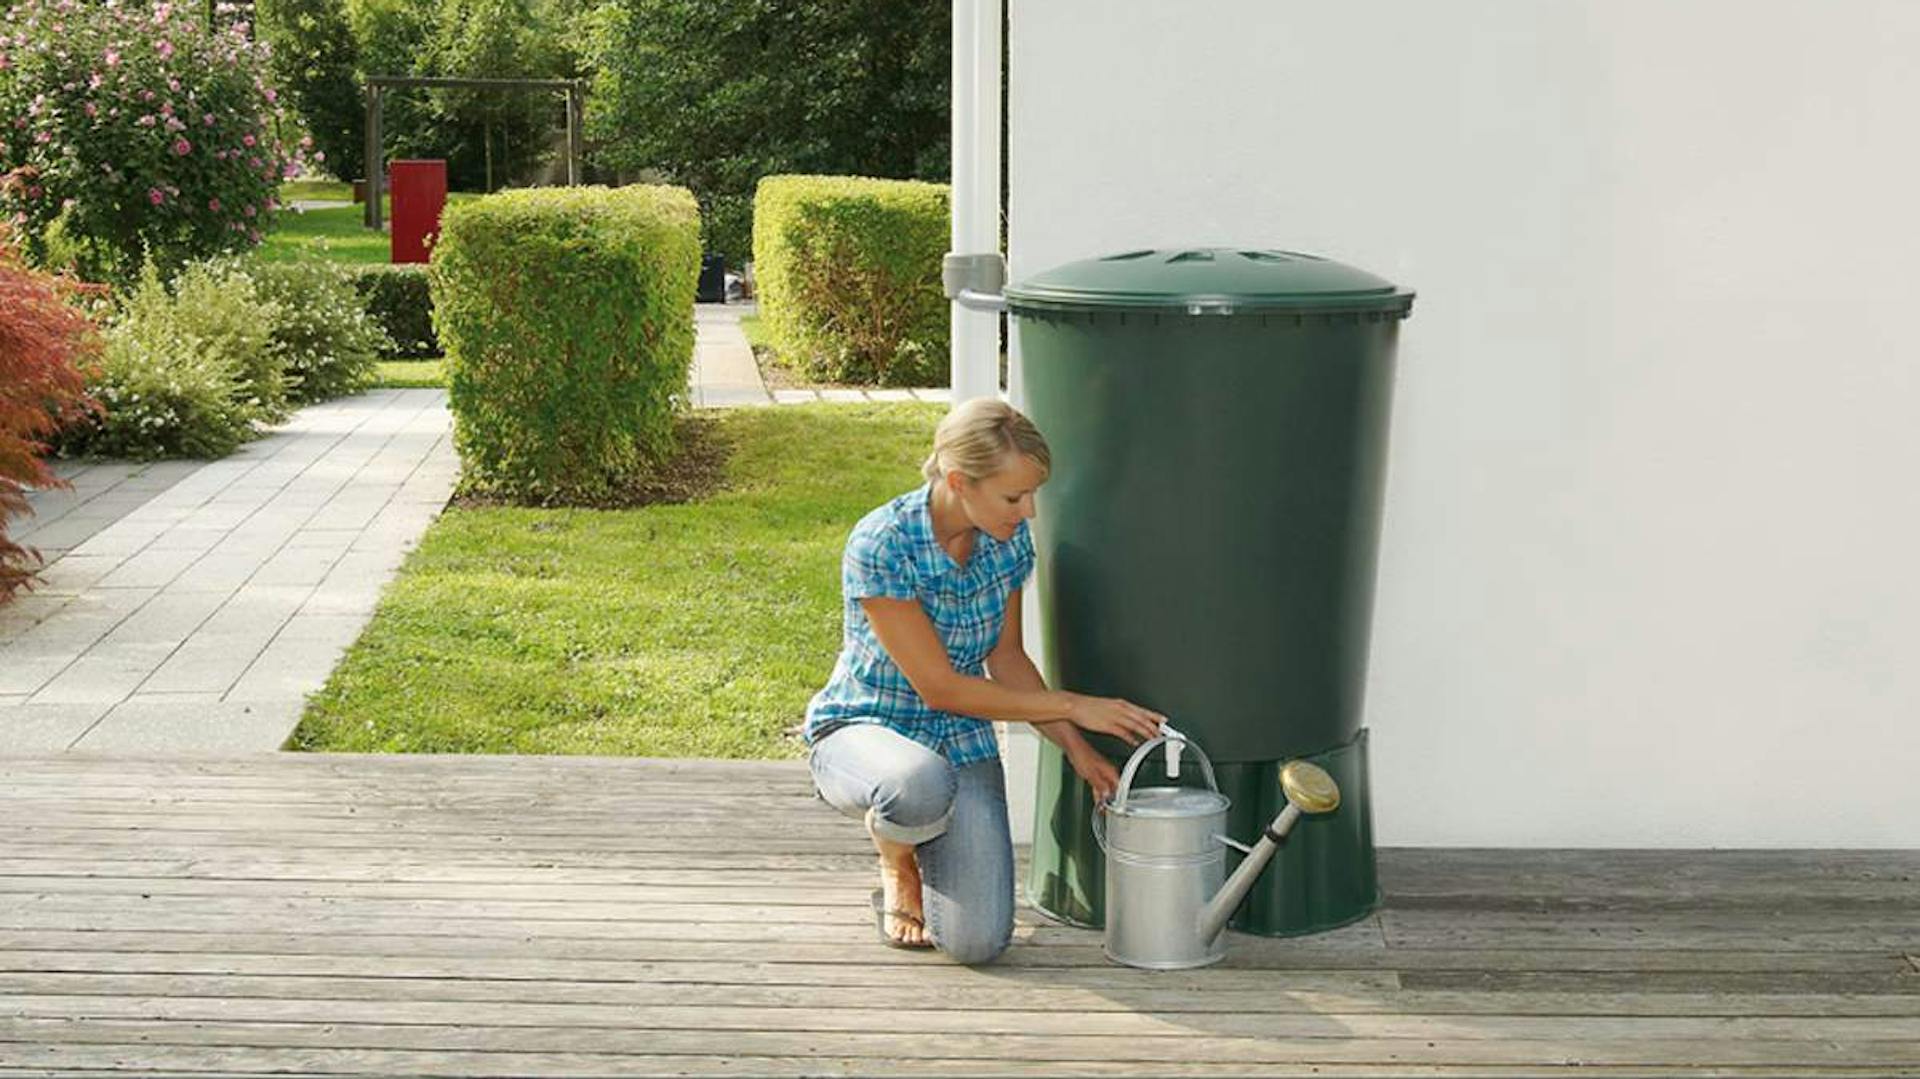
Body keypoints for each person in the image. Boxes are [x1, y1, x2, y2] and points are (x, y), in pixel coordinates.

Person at [803, 398, 1165, 963]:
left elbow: (1008, 660)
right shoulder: (883, 544)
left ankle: (922, 831)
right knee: (916, 784)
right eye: (1014, 496)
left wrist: (1076, 749)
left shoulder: (1005, 540)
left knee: (977, 943)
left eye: (1033, 494)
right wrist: (1076, 705)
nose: (1030, 513)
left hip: (961, 740)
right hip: (867, 729)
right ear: (958, 481)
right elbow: (940, 688)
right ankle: (897, 857)